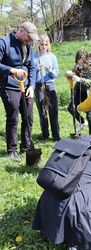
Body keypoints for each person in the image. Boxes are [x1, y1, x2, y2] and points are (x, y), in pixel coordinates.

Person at [0, 22, 39, 162]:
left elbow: (32, 66)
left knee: (28, 117)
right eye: (29, 37)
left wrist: (32, 86)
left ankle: (26, 146)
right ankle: (12, 150)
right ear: (21, 30)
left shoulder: (28, 46)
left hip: (26, 86)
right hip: (9, 86)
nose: (30, 40)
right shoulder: (4, 42)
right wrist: (11, 70)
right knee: (13, 116)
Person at [33, 34, 60, 141]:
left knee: (54, 110)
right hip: (39, 85)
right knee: (42, 111)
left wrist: (49, 70)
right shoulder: (34, 56)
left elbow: (56, 72)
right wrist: (37, 70)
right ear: (38, 45)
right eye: (42, 44)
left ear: (48, 45)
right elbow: (31, 72)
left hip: (50, 84)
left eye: (46, 44)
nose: (44, 46)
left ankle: (56, 135)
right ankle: (45, 135)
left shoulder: (52, 56)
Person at [66, 49, 91, 134]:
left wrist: (79, 79)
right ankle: (82, 122)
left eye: (81, 60)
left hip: (89, 93)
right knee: (71, 108)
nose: (79, 63)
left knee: (89, 114)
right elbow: (73, 72)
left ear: (86, 59)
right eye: (77, 61)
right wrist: (69, 74)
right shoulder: (78, 66)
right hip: (79, 91)